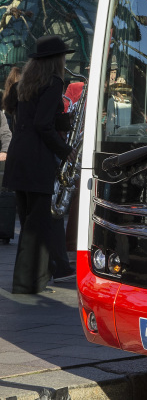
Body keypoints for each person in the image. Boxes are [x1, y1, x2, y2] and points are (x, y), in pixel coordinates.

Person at [1, 36, 76, 294]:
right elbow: (43, 124)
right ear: (56, 60)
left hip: (18, 158)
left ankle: (35, 280)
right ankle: (26, 282)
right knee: (37, 224)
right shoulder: (54, 83)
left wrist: (63, 120)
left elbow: (24, 114)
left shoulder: (24, 85)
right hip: (37, 160)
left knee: (29, 221)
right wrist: (66, 151)